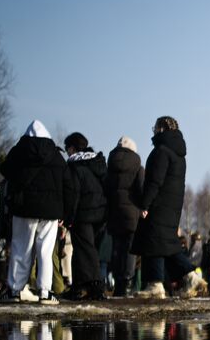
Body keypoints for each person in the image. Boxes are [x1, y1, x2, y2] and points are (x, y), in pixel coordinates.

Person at [1, 120, 70, 303]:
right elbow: (67, 183)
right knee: (45, 252)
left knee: (20, 248)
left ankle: (15, 290)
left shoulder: (19, 151)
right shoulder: (56, 155)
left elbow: (5, 170)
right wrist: (65, 213)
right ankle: (45, 292)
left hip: (24, 208)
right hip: (50, 211)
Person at [132, 116, 201, 298]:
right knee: (165, 244)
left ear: (161, 128)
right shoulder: (179, 154)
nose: (153, 131)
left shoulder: (161, 151)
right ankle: (190, 277)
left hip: (159, 205)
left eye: (154, 127)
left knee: (153, 241)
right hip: (173, 207)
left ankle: (156, 285)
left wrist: (145, 204)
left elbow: (154, 181)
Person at [60, 133, 107, 300]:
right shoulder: (98, 163)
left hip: (83, 213)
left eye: (67, 149)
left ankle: (95, 286)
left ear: (72, 148)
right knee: (84, 250)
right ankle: (80, 286)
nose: (67, 153)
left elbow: (74, 194)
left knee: (85, 250)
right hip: (100, 213)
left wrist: (68, 219)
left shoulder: (74, 166)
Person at [104, 136, 144, 296]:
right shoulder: (138, 167)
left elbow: (105, 188)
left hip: (113, 212)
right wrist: (143, 206)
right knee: (129, 250)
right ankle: (126, 283)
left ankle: (118, 283)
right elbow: (141, 188)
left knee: (116, 248)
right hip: (131, 213)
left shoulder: (110, 166)